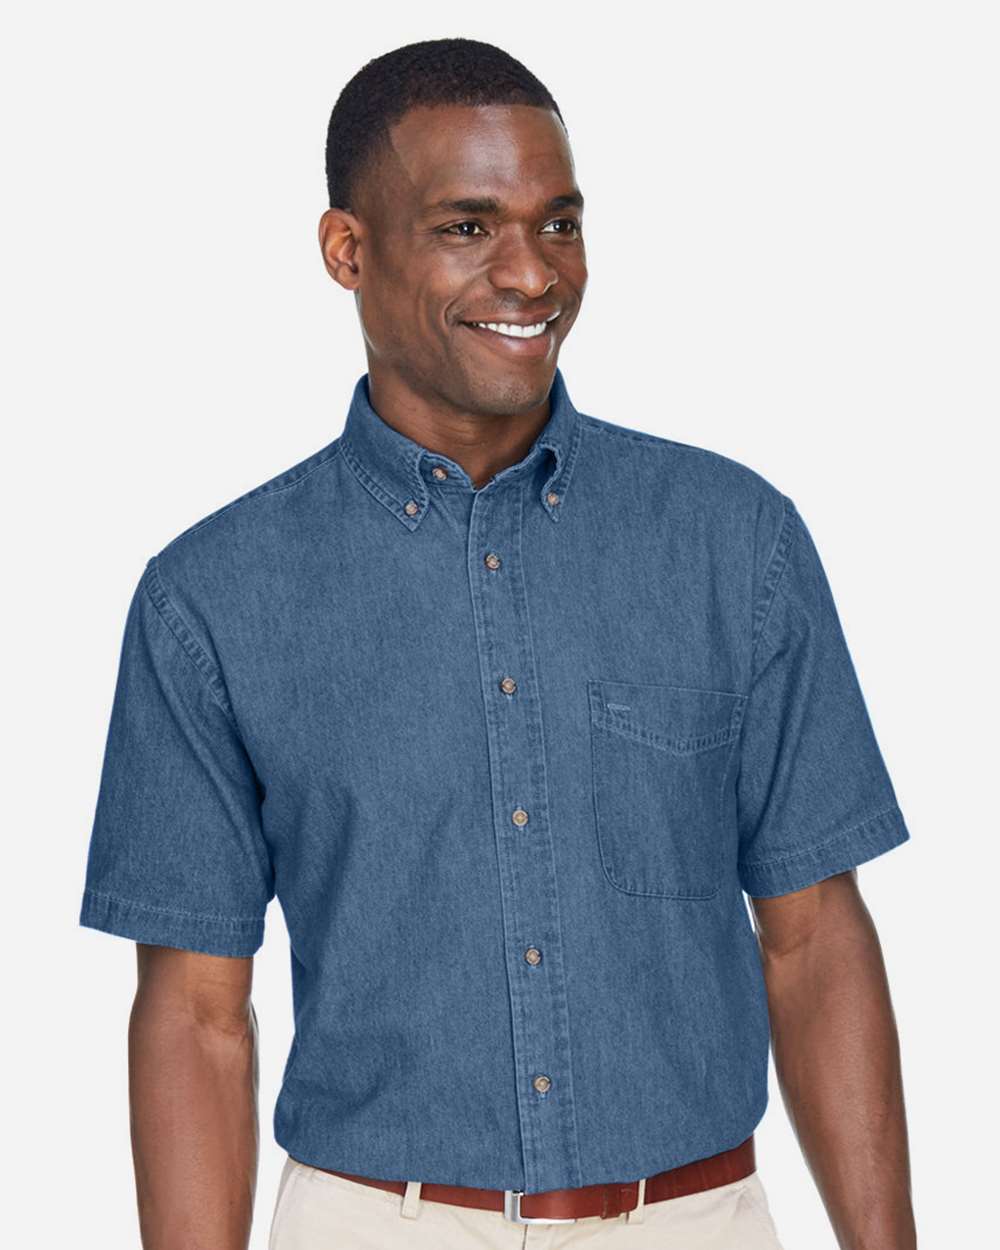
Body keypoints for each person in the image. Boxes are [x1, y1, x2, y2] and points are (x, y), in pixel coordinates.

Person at [78, 36, 916, 1250]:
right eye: (467, 227)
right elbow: (197, 1015)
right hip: (374, 1223)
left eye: (558, 224)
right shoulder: (209, 598)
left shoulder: (734, 542)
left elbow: (814, 935)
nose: (531, 273)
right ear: (346, 250)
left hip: (693, 1218)